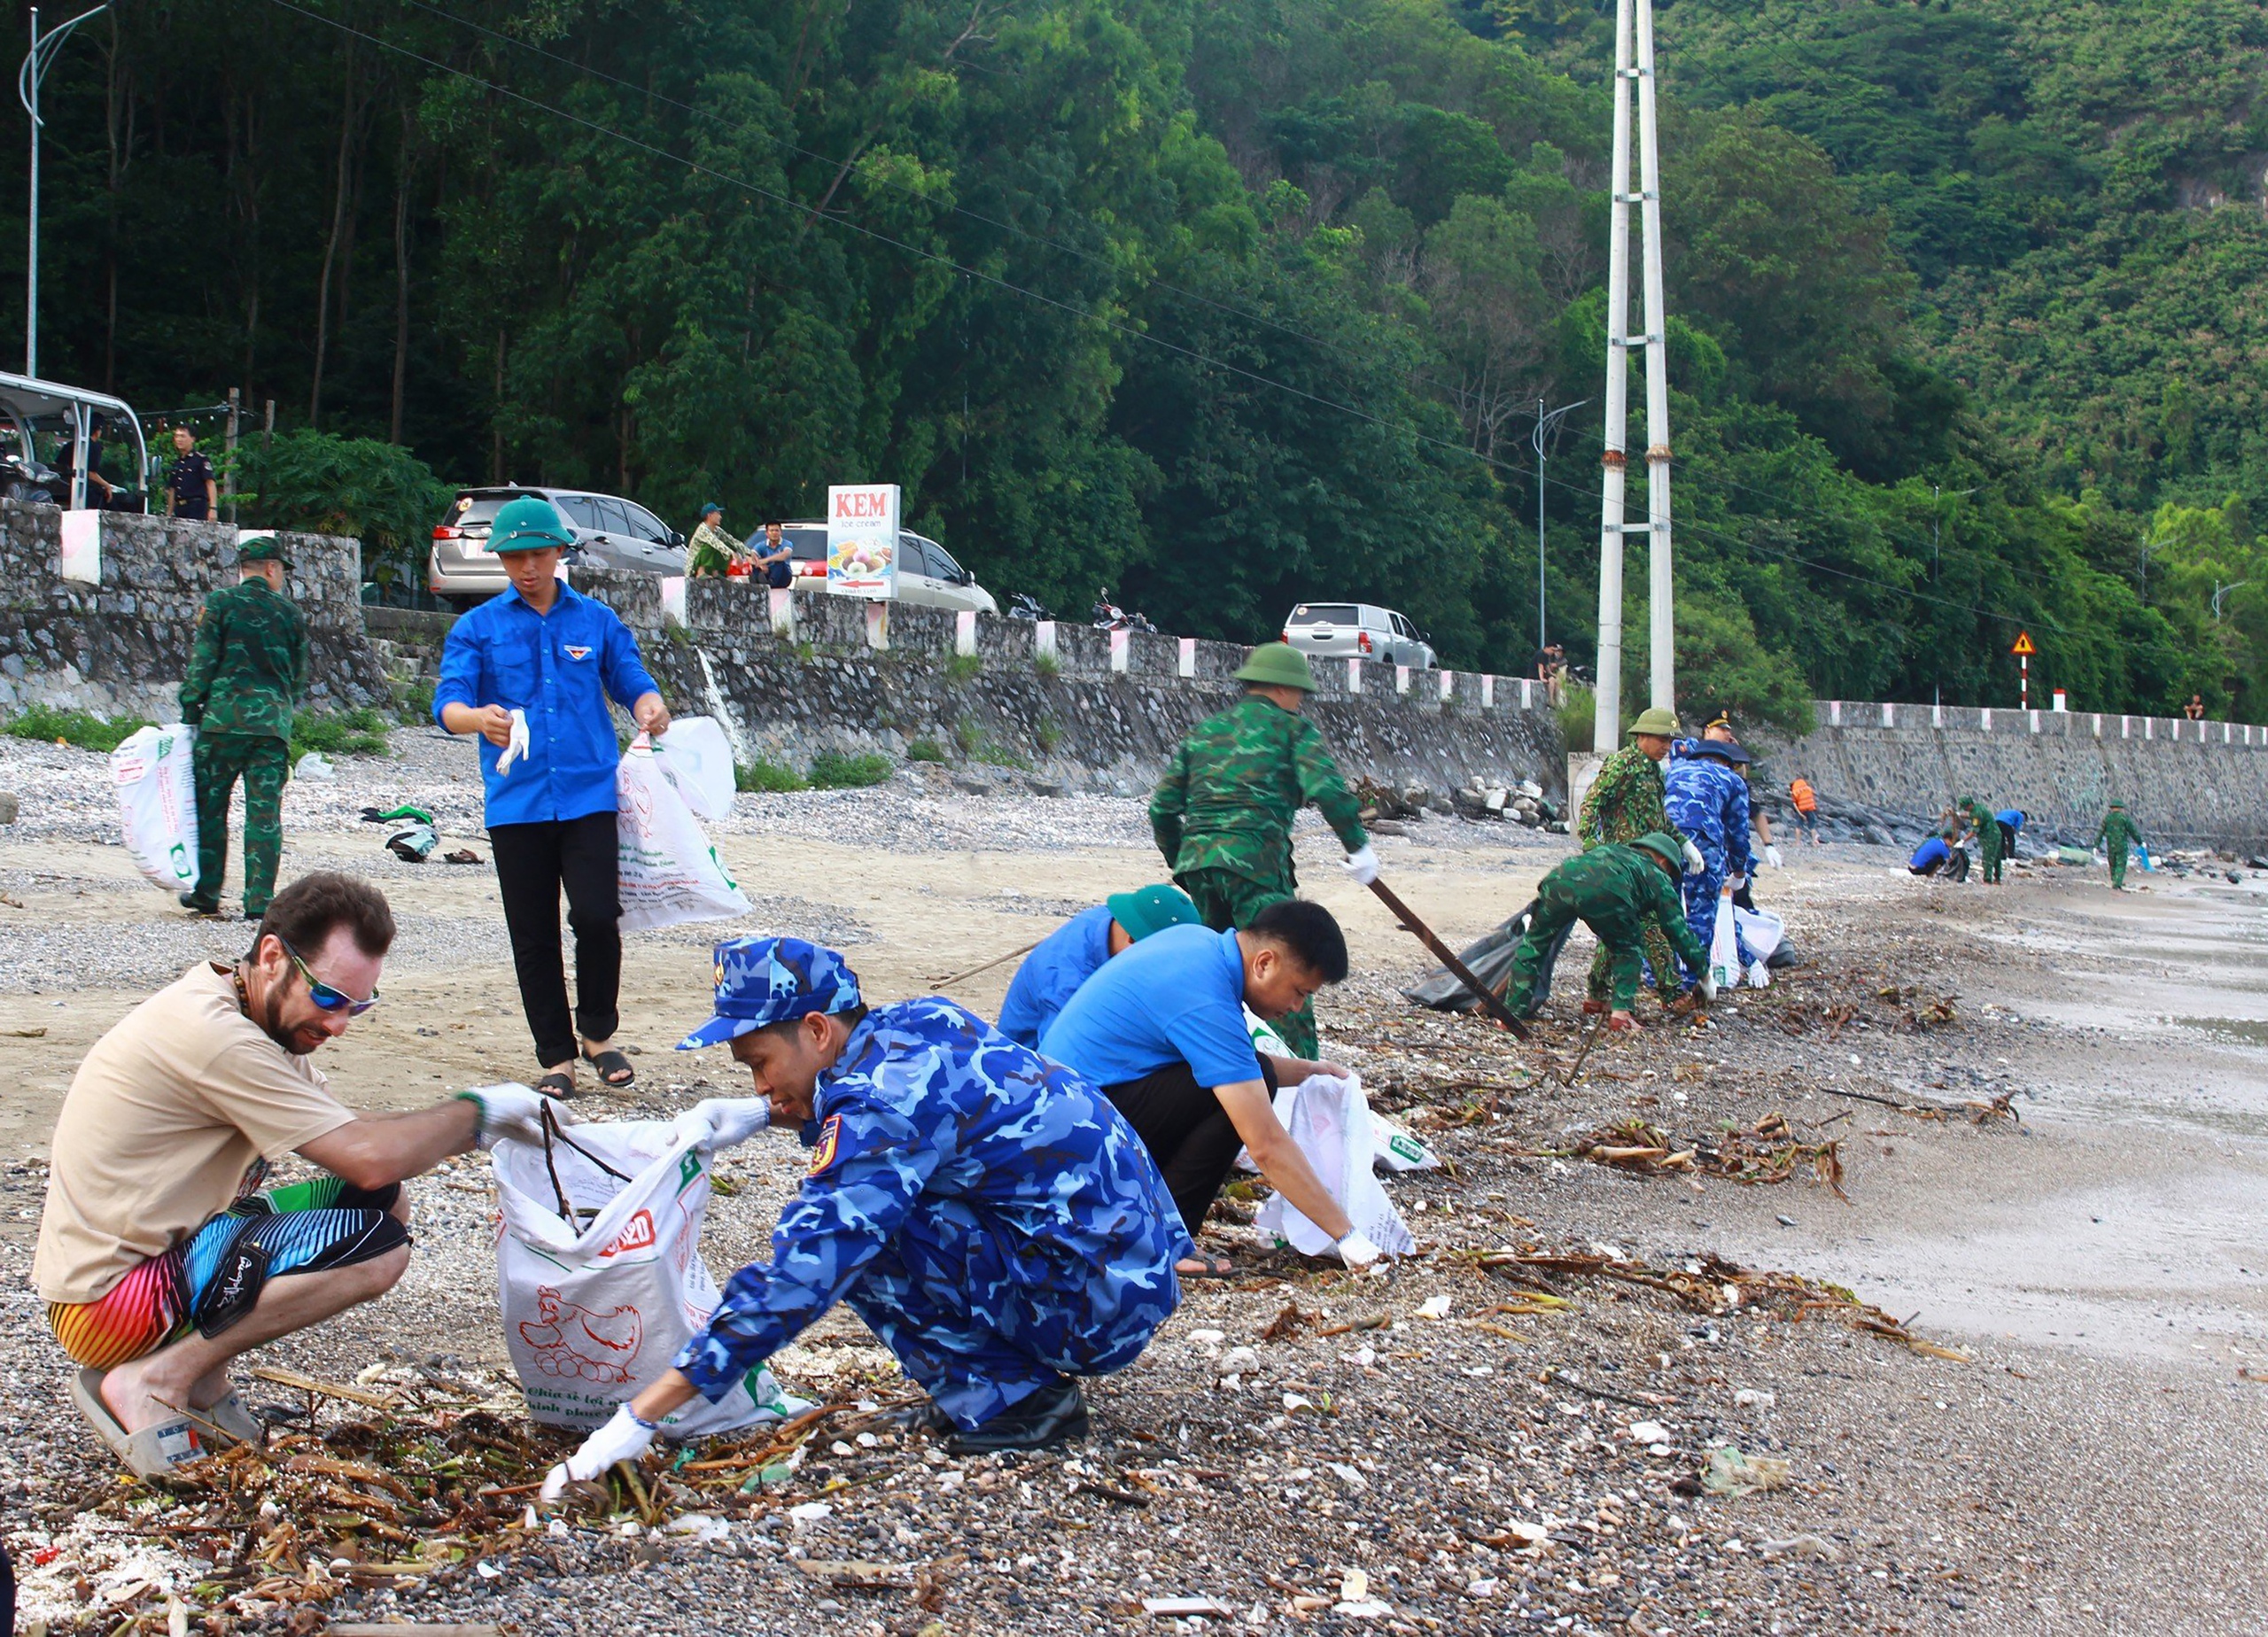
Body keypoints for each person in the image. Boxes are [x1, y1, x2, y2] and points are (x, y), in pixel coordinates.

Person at [540, 936, 1187, 1475]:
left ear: (817, 1030)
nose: (761, 1083)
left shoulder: (879, 1099)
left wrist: (644, 1413)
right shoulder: (916, 1026)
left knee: (855, 1243)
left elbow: (808, 1268)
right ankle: (996, 1389)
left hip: (1096, 1306)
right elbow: (925, 1119)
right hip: (1126, 1269)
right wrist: (762, 1113)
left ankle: (1016, 1404)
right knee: (876, 1215)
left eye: (760, 1063)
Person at [35, 872, 566, 1477]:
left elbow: (355, 1139)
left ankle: (202, 1376)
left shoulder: (258, 1016)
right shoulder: (216, 1037)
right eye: (331, 998)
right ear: (271, 957)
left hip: (167, 1251)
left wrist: (484, 1128)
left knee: (379, 1203)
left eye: (358, 1006)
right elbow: (367, 1151)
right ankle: (155, 1377)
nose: (339, 1023)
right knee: (378, 1251)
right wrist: (478, 1112)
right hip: (107, 1302)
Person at [434, 495, 671, 1097]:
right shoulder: (477, 627)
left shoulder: (595, 622)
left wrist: (647, 705)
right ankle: (556, 1056)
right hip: (517, 803)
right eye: (515, 559)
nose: (527, 569)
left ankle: (597, 1033)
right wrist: (474, 719)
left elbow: (630, 679)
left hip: (590, 795)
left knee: (597, 916)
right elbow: (449, 701)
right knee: (532, 932)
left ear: (559, 553)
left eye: (538, 555)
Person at [1040, 898, 1383, 1279]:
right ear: (1265, 963)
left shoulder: (1199, 946)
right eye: (1300, 991)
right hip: (1066, 1144)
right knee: (1239, 1097)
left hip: (1066, 1113)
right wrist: (1348, 1236)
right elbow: (1265, 1144)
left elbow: (1236, 1061)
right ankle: (1163, 1242)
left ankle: (1143, 1226)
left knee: (1249, 1078)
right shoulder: (1204, 994)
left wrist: (1311, 1071)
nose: (1298, 1007)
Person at [1148, 642, 1374, 1059]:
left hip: (1200, 866)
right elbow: (1327, 789)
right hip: (1257, 868)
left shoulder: (1204, 732)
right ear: (1286, 690)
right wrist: (1358, 847)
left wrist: (1185, 864)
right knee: (1287, 972)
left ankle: (1214, 1064)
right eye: (1300, 694)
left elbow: (1161, 809)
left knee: (1218, 973)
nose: (1300, 703)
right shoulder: (1293, 730)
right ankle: (1303, 1077)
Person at [177, 536, 307, 921]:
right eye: (282, 569)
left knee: (211, 810)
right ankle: (259, 903)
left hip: (222, 724)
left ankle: (207, 894)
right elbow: (298, 679)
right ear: (270, 568)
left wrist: (190, 708)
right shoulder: (291, 615)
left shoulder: (219, 605)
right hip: (270, 730)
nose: (281, 576)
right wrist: (280, 709)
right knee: (264, 814)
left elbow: (202, 664)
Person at [1500, 834, 1713, 1031]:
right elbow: (1678, 932)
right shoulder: (1657, 875)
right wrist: (1703, 974)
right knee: (1628, 947)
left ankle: (1511, 1013)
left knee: (1534, 946)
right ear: (1664, 862)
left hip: (1559, 879)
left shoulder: (1613, 851)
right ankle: (1621, 1014)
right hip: (1609, 889)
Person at [1577, 705, 1689, 1012]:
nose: (1667, 746)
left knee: (1618, 929)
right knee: (1652, 923)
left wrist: (1684, 843)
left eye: (1670, 741)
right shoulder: (1622, 765)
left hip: (1648, 863)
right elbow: (1592, 802)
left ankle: (1597, 993)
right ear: (1641, 736)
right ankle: (1672, 993)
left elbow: (1660, 820)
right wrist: (1591, 844)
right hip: (1624, 864)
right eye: (1661, 739)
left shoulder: (1655, 772)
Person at [996, 883, 1200, 1049]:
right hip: (1034, 1073)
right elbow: (1065, 1058)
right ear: (1132, 940)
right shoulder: (1066, 980)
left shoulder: (1114, 922)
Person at [1664, 737, 1755, 989]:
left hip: (1663, 843)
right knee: (1700, 916)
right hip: (1705, 845)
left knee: (1661, 910)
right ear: (1727, 762)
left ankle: (1659, 979)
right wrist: (1739, 870)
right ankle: (1695, 982)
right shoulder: (1731, 779)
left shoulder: (1673, 771)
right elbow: (1738, 833)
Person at [165, 425, 218, 522]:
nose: (179, 439)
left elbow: (210, 483)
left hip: (196, 507)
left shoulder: (200, 460)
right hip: (180, 508)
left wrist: (213, 508)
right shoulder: (176, 463)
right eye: (177, 436)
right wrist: (169, 513)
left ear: (192, 439)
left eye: (183, 436)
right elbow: (173, 489)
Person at [2094, 800, 2145, 889]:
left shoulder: (2107, 819)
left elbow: (2100, 832)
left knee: (2112, 863)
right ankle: (2117, 883)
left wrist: (2096, 845)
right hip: (2122, 845)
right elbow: (2133, 832)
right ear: (2121, 808)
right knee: (2120, 865)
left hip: (2111, 845)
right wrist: (2140, 842)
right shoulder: (2124, 819)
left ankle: (2115, 879)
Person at [685, 502, 742, 578]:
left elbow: (731, 540)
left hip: (708, 567)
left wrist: (745, 553)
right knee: (711, 545)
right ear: (710, 515)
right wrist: (732, 554)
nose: (720, 517)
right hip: (694, 568)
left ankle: (715, 572)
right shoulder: (703, 530)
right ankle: (700, 572)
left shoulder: (717, 530)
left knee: (726, 544)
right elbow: (716, 543)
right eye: (718, 514)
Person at [1961, 794, 2005, 885]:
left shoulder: (1977, 814)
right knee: (1996, 857)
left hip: (1989, 837)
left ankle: (1987, 880)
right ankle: (1997, 879)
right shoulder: (1978, 807)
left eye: (1964, 807)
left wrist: (1962, 841)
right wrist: (1960, 815)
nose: (1964, 810)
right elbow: (1972, 815)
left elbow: (1974, 831)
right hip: (1996, 834)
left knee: (1987, 858)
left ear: (1968, 805)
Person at [753, 520, 795, 589]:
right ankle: (756, 583)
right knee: (755, 566)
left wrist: (766, 560)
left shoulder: (787, 543)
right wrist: (760, 565)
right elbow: (750, 556)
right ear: (767, 533)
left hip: (783, 576)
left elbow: (785, 555)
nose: (774, 533)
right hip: (768, 572)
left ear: (780, 532)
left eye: (777, 531)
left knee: (779, 562)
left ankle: (771, 583)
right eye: (772, 531)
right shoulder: (761, 545)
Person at [1789, 774, 1821, 844]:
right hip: (1810, 808)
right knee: (1812, 826)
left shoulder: (1795, 791)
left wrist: (1800, 814)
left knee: (1798, 827)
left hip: (1801, 809)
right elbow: (1812, 799)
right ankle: (1814, 842)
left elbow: (1795, 804)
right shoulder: (1808, 788)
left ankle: (1797, 843)